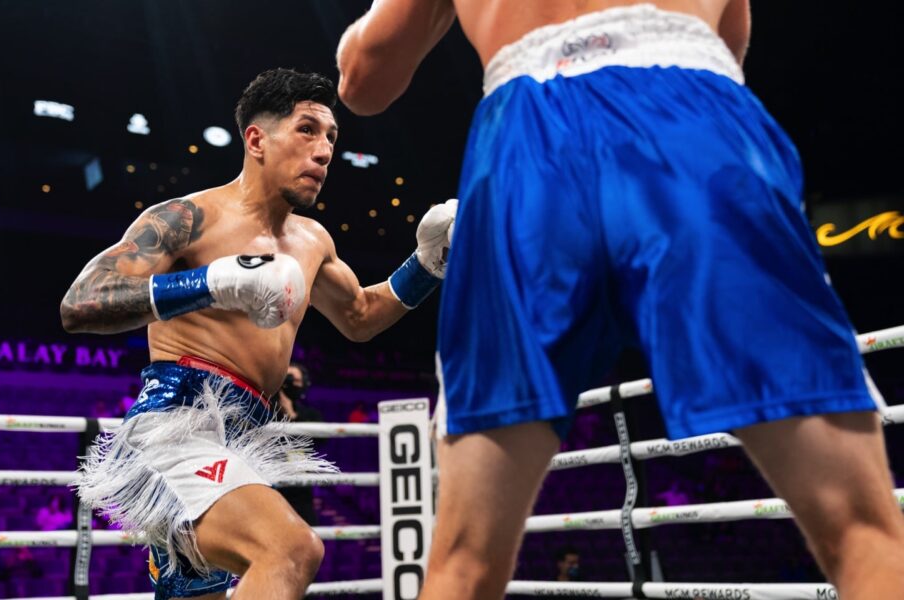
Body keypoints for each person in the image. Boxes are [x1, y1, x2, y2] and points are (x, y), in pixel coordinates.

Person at [336, 2, 904, 599]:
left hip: (526, 141)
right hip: (687, 112)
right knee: (862, 529)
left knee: (463, 562)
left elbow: (362, 80)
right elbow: (728, 45)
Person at [60, 68, 456, 600]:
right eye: (308, 130)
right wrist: (211, 281)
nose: (324, 151)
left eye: (332, 138)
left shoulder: (312, 240)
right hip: (175, 428)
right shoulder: (188, 218)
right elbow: (80, 303)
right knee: (291, 550)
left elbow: (361, 315)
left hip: (244, 441)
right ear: (256, 140)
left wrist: (428, 264)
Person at [273, 361, 324, 525]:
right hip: (270, 484)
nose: (288, 383)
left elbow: (321, 439)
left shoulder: (310, 414)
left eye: (292, 379)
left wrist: (292, 416)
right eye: (285, 378)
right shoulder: (262, 410)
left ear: (303, 384)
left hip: (300, 489)